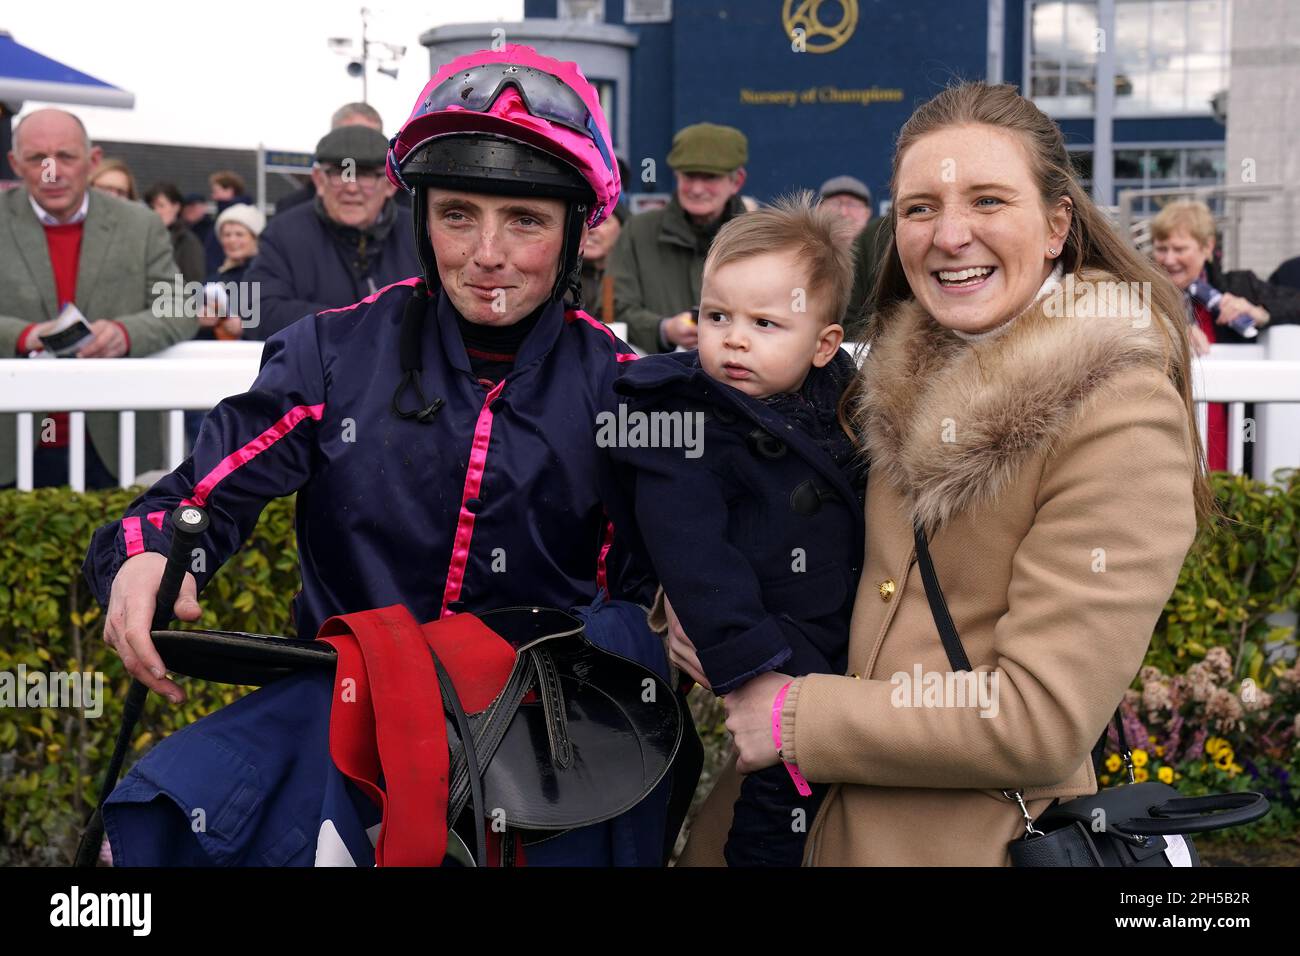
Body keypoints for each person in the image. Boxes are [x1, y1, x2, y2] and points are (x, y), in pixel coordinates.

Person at [84, 44, 693, 867]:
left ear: (576, 232)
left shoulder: (630, 391)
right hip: (349, 705)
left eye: (525, 220)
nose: (486, 253)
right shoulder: (332, 352)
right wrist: (156, 550)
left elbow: (673, 580)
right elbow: (201, 495)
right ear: (421, 219)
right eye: (457, 214)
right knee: (141, 841)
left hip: (549, 743)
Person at [675, 81, 1209, 866]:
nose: (950, 234)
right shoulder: (887, 377)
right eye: (921, 207)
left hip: (962, 840)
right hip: (786, 825)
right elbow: (767, 514)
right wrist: (687, 610)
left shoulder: (1120, 416)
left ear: (1059, 223)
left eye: (988, 200)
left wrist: (797, 719)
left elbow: (1038, 719)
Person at [608, 194, 864, 865]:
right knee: (776, 811)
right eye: (717, 316)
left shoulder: (840, 408)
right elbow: (693, 559)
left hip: (841, 649)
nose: (735, 338)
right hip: (770, 650)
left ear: (824, 344)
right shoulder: (682, 423)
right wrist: (750, 672)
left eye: (765, 323)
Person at [0, 108, 191, 489]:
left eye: (66, 156)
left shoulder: (140, 223)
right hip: (12, 443)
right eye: (38, 158)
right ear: (15, 163)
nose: (52, 171)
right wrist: (23, 336)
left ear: (94, 160)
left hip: (115, 443)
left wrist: (125, 332)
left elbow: (179, 308)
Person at [1150, 198, 1300, 471]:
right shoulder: (1144, 295)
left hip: (1232, 443)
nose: (1168, 259)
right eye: (1161, 248)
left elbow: (1294, 303)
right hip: (1166, 443)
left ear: (1207, 248)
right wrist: (1170, 326)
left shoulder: (1240, 286)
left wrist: (1261, 312)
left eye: (1179, 248)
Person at [242, 125, 419, 341]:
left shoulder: (421, 234)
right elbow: (258, 310)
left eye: (364, 175)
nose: (351, 188)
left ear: (390, 184)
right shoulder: (283, 234)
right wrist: (359, 323)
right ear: (318, 180)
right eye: (339, 173)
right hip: (315, 372)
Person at [609, 122, 749, 353]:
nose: (696, 188)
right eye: (689, 176)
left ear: (737, 181)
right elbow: (612, 306)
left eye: (709, 178)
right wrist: (664, 329)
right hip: (659, 378)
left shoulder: (762, 241)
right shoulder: (639, 231)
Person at [275, 102, 405, 214]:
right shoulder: (289, 212)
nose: (362, 147)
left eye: (369, 138)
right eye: (349, 138)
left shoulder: (412, 212)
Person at [144, 182, 207, 287]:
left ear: (176, 207)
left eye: (161, 205)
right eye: (152, 207)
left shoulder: (187, 241)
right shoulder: (144, 238)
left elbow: (194, 282)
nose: (156, 211)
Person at [579, 201, 626, 322]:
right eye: (584, 220)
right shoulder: (557, 280)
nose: (591, 229)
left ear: (622, 229)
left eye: (602, 221)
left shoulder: (631, 280)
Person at [817, 174, 872, 239]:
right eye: (835, 203)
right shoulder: (803, 248)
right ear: (819, 209)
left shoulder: (879, 248)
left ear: (867, 213)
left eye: (852, 204)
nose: (843, 212)